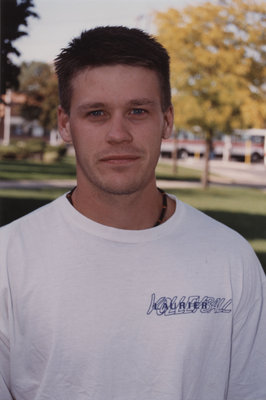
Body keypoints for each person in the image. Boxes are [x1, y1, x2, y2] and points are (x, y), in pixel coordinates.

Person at [0, 26, 265, 400]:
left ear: (167, 121)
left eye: (138, 110)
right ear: (65, 124)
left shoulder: (230, 259)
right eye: (96, 113)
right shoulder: (8, 259)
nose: (118, 133)